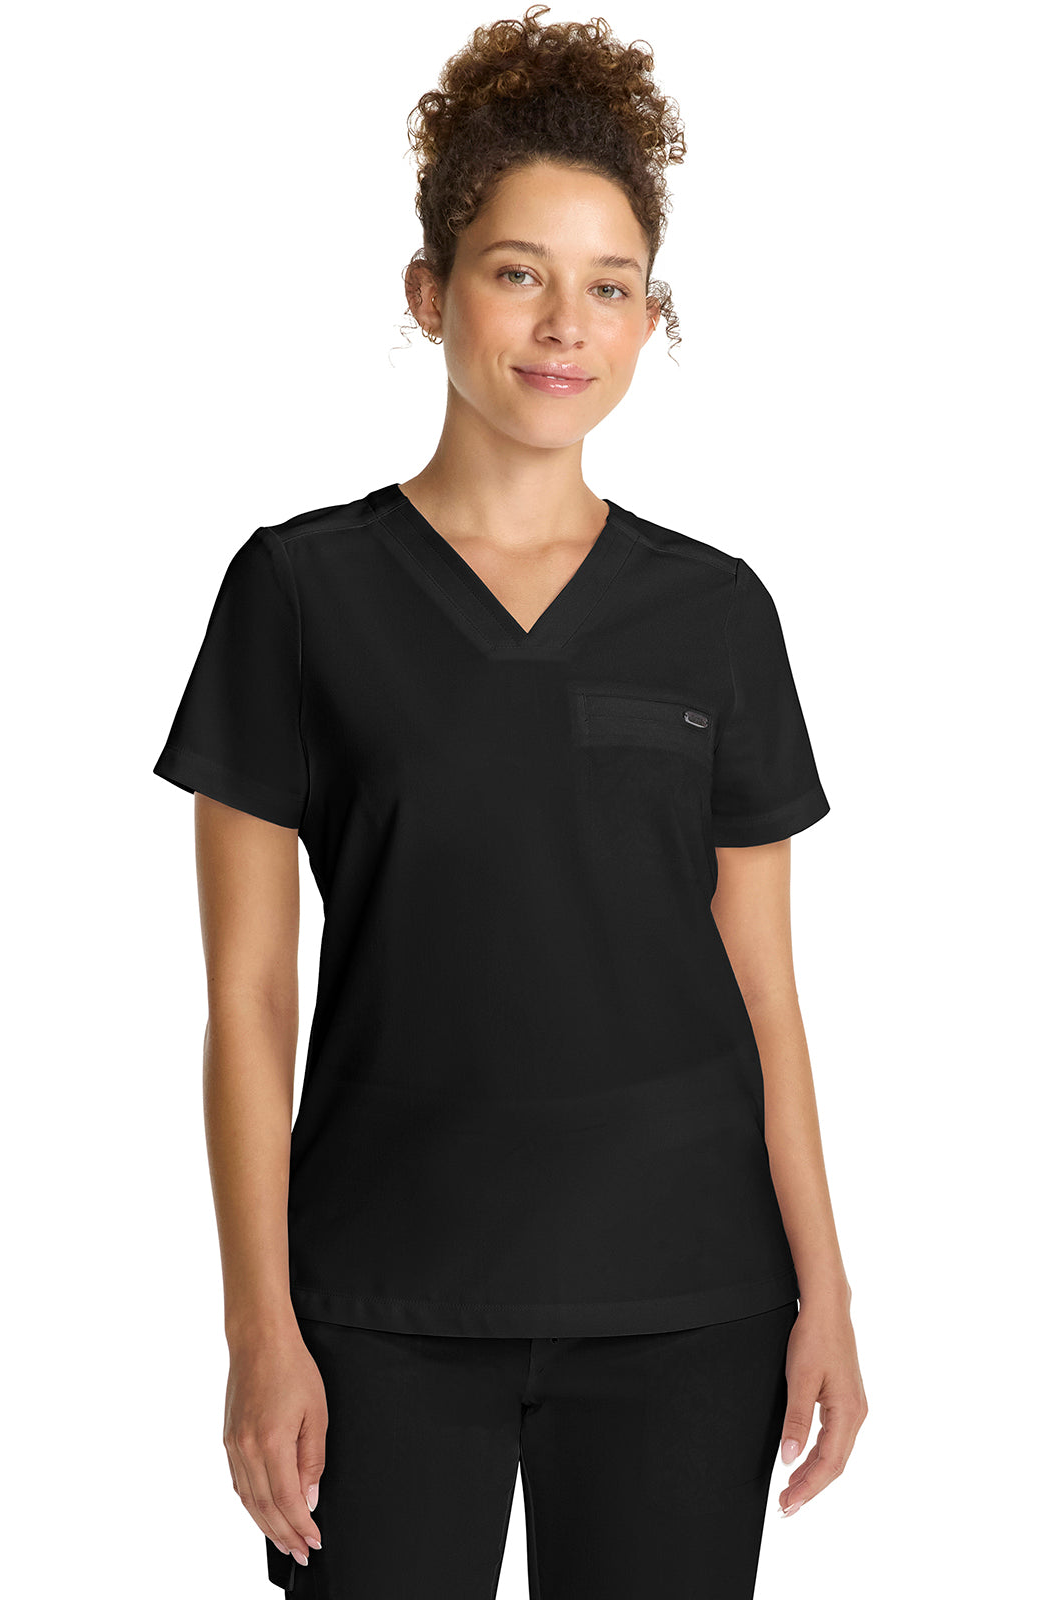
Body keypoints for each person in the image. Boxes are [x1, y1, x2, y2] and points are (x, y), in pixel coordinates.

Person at [153, 8, 867, 1596]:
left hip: (690, 1298)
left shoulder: (716, 613)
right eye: (518, 272)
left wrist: (827, 1287)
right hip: (377, 1306)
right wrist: (258, 1326)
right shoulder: (298, 595)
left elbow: (766, 990)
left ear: (650, 316)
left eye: (611, 286)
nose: (565, 326)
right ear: (430, 292)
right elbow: (249, 1002)